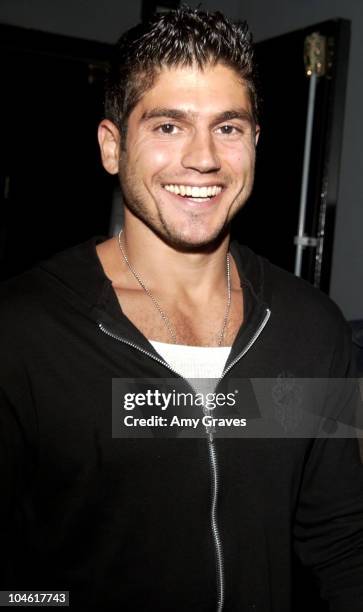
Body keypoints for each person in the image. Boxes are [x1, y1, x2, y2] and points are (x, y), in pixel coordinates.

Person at [1, 7, 363, 611]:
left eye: (229, 127)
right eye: (168, 126)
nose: (203, 159)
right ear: (112, 147)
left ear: (254, 143)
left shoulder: (310, 329)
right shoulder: (23, 333)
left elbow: (341, 542)